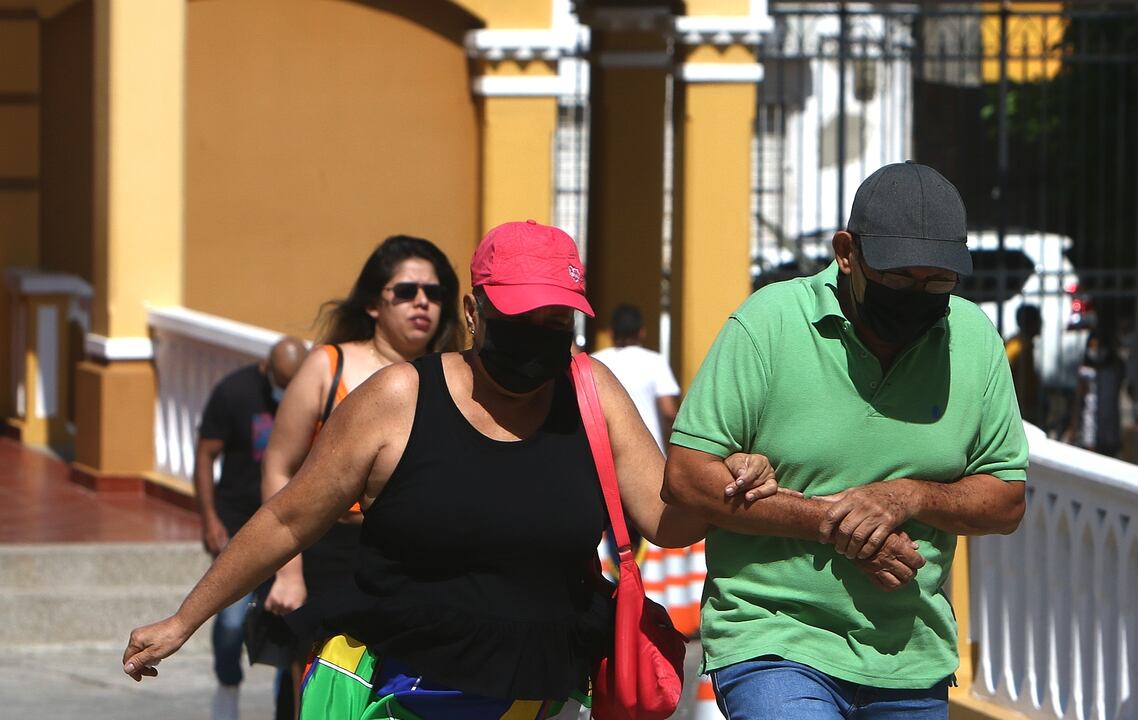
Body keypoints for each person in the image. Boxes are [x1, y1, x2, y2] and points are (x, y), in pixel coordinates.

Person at [123, 220, 779, 719]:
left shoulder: (590, 391)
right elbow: (289, 517)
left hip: (539, 699)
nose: (539, 338)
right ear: (474, 313)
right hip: (402, 697)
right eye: (520, 320)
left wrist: (730, 480)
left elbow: (665, 520)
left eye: (556, 323)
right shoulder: (396, 400)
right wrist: (184, 620)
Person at [663, 162, 1029, 719]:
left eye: (937, 281)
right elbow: (688, 475)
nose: (918, 295)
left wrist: (909, 497)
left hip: (911, 653)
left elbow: (1006, 499)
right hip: (775, 636)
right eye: (898, 278)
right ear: (846, 253)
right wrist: (839, 525)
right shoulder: (770, 323)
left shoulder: (974, 339)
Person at [259, 234, 463, 712]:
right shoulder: (328, 366)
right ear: (374, 303)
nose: (422, 303)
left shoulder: (454, 373)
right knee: (319, 691)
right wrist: (288, 572)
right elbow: (278, 466)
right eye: (406, 291)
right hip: (330, 553)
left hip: (419, 562)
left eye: (434, 294)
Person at [195, 336, 307, 720]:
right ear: (267, 369)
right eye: (283, 382)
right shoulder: (234, 391)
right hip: (237, 527)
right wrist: (209, 518)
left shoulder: (310, 396)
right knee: (228, 622)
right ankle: (228, 683)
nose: (288, 391)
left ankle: (282, 708)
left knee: (287, 627)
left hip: (290, 531)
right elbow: (205, 454)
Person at [592, 304, 680, 453]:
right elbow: (669, 412)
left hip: (607, 451)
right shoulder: (655, 361)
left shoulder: (595, 362)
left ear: (611, 332)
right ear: (641, 332)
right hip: (650, 450)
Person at [1066, 329, 1126, 457]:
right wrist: (1073, 428)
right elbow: (1078, 401)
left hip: (1109, 422)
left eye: (1098, 346)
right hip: (1090, 421)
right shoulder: (1085, 371)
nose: (1095, 350)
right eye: (1092, 346)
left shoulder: (1114, 369)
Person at [1005, 303, 1043, 425]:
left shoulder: (1025, 345)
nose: (1042, 324)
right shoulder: (1017, 347)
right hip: (1019, 410)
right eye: (1038, 320)